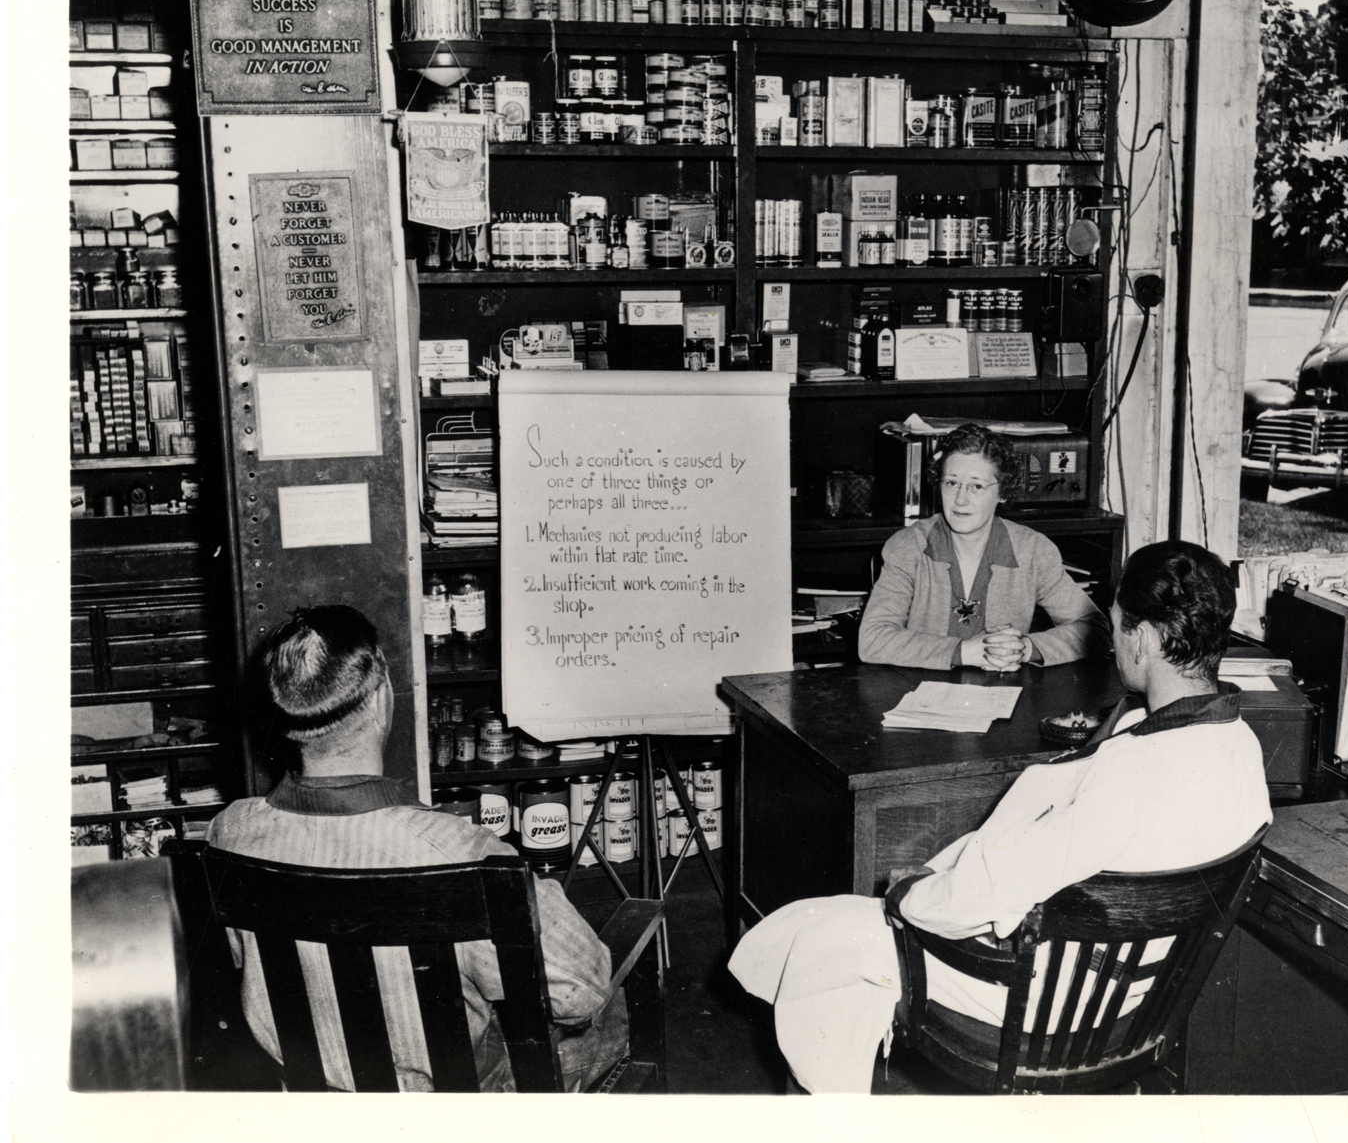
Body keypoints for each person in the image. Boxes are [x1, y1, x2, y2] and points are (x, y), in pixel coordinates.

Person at [731, 540, 1273, 1092]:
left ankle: (829, 1111)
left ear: (1145, 638)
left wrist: (908, 894)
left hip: (1050, 1003)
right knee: (823, 939)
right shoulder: (1242, 746)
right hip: (1140, 995)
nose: (1113, 644)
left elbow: (979, 896)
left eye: (1117, 628)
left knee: (818, 940)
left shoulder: (1134, 773)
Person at [206, 605, 627, 1092]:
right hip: (451, 1107)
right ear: (381, 699)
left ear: (280, 717)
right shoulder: (462, 853)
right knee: (612, 1004)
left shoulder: (229, 832)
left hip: (309, 1099)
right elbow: (583, 992)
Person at [857, 422, 1109, 671]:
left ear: (1003, 492)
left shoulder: (1033, 551)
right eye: (951, 483)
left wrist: (1025, 648)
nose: (960, 500)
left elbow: (1095, 628)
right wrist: (964, 652)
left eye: (976, 486)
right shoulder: (908, 547)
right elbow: (872, 639)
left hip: (1004, 688)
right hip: (918, 689)